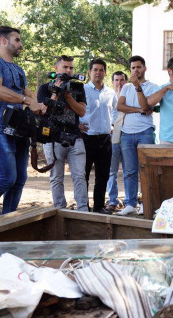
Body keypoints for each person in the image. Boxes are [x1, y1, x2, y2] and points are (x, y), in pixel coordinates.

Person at [0, 26, 44, 223]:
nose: (21, 44)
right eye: (17, 40)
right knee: (7, 178)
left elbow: (28, 94)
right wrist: (26, 100)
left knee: (20, 179)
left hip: (19, 130)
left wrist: (39, 104)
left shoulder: (18, 69)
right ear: (4, 41)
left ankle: (7, 222)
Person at [38, 55, 89, 212]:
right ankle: (60, 210)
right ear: (56, 69)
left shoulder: (78, 87)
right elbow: (43, 111)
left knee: (80, 176)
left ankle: (83, 210)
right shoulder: (45, 88)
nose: (68, 70)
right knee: (56, 177)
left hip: (75, 137)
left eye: (71, 67)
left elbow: (81, 111)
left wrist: (67, 96)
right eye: (65, 67)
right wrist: (56, 91)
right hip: (53, 138)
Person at [116, 56, 158, 216]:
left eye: (138, 67)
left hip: (145, 133)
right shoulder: (126, 87)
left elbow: (146, 106)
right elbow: (120, 106)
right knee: (129, 171)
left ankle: (147, 204)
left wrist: (138, 88)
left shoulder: (152, 87)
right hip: (127, 134)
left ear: (144, 68)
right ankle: (130, 204)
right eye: (133, 68)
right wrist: (136, 110)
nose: (135, 70)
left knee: (146, 170)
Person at [82, 58, 116, 214]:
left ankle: (99, 207)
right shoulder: (82, 90)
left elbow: (116, 110)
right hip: (87, 138)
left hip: (105, 139)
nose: (98, 73)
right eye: (95, 69)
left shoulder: (110, 92)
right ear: (89, 72)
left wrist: (113, 124)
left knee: (103, 176)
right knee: (84, 175)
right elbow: (76, 110)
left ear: (105, 72)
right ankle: (83, 206)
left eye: (101, 70)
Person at [106, 71, 127, 213]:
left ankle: (129, 201)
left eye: (122, 80)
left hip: (127, 136)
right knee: (112, 171)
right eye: (116, 80)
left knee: (129, 171)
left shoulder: (130, 96)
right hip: (113, 137)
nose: (119, 83)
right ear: (112, 81)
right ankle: (112, 200)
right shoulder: (107, 96)